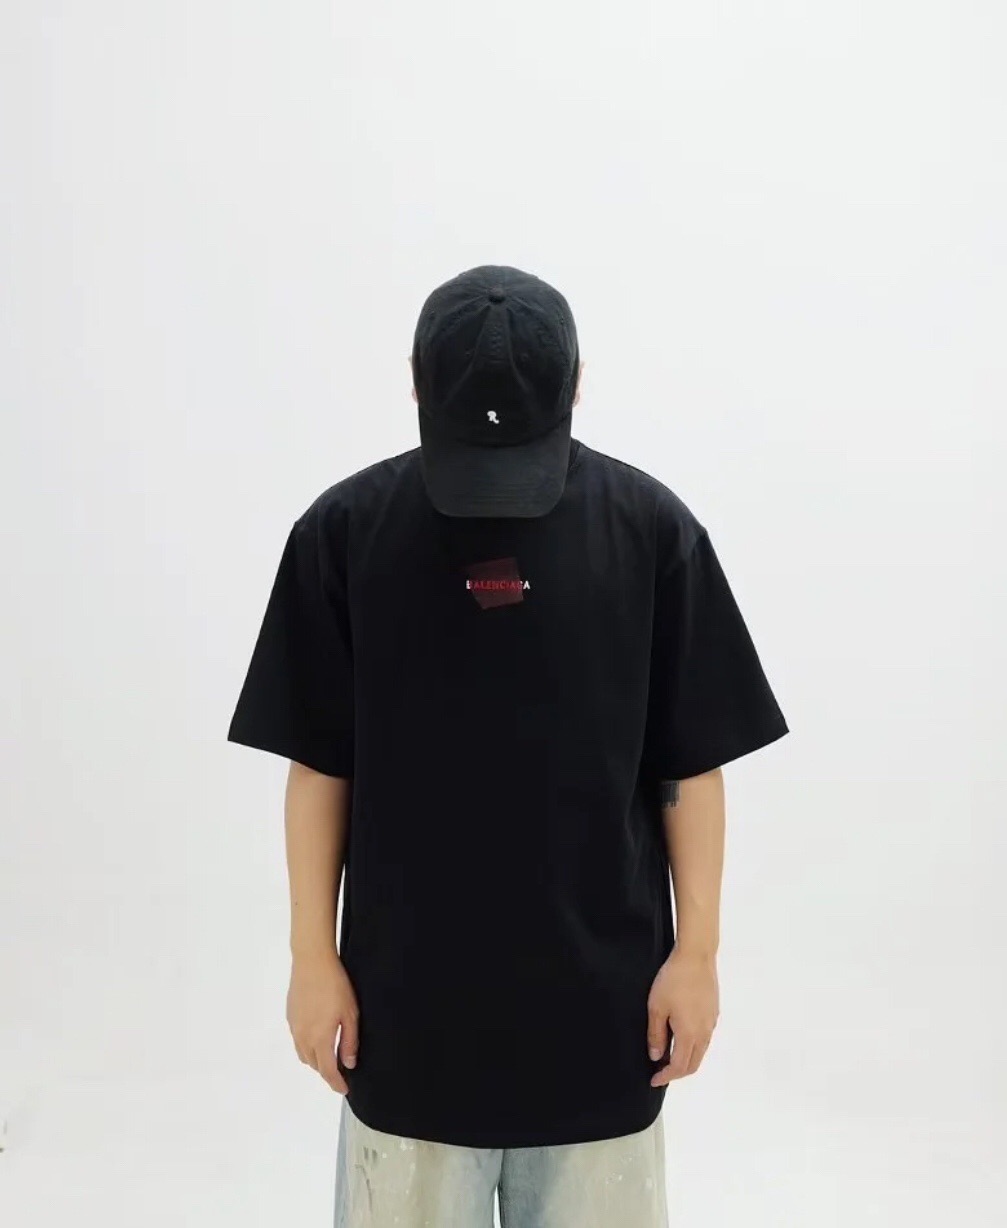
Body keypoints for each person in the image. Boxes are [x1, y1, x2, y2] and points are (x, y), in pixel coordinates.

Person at [226, 264, 789, 1227]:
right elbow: (320, 764)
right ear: (416, 387)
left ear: (576, 389)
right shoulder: (343, 534)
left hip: (603, 1025)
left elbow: (689, 764)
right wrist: (310, 957)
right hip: (404, 1024)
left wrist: (698, 954)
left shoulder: (651, 533)